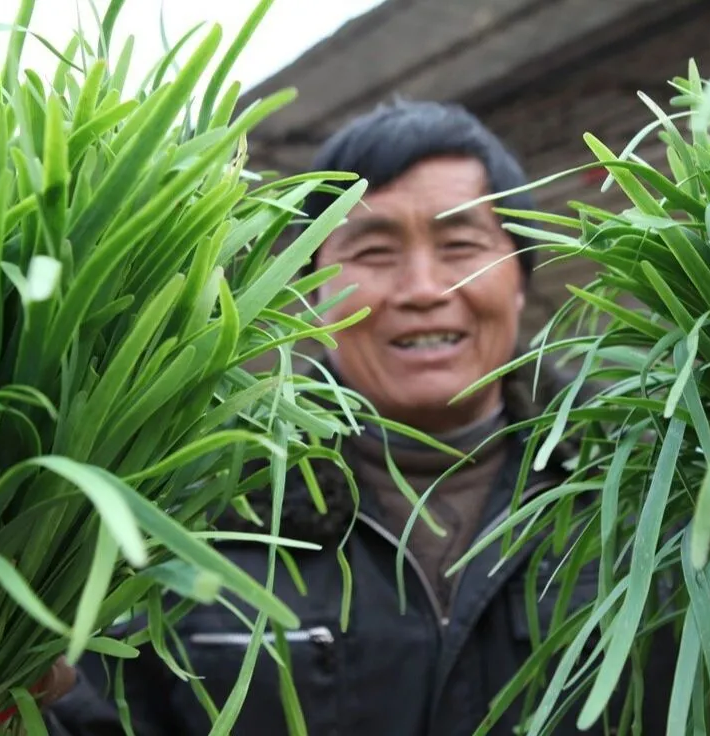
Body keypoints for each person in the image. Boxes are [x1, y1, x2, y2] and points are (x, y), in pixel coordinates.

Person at [45, 99, 616, 736]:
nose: (423, 288)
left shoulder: (643, 479)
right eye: (374, 252)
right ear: (312, 290)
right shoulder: (200, 501)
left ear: (518, 277)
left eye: (461, 245)